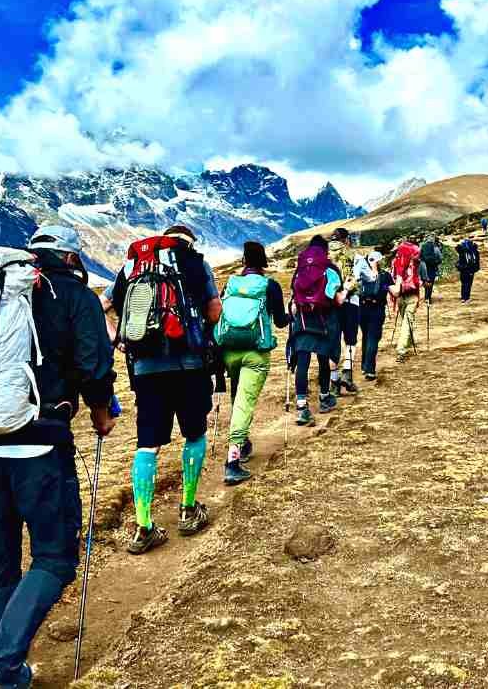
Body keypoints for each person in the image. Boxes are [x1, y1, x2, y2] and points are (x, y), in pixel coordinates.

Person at [0, 225, 116, 689]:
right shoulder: (73, 294)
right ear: (71, 256)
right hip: (39, 442)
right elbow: (94, 364)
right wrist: (101, 410)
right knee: (54, 557)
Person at [102, 225, 222, 555]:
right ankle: (187, 508)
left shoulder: (132, 267)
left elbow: (102, 307)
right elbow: (214, 310)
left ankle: (144, 526)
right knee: (195, 434)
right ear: (188, 243)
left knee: (147, 444)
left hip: (145, 369)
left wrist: (119, 339)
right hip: (189, 366)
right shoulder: (195, 263)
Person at [214, 241, 291, 485]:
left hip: (228, 351)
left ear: (244, 260)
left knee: (238, 397)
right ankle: (233, 461)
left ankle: (244, 442)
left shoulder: (231, 284)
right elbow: (280, 322)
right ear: (264, 262)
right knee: (244, 403)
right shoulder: (270, 286)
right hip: (256, 353)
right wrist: (292, 313)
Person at [290, 235, 346, 426]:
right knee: (323, 359)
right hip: (324, 321)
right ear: (326, 250)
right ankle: (324, 398)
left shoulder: (300, 269)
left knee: (303, 362)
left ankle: (301, 407)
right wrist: (346, 292)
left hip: (304, 321)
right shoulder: (330, 269)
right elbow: (337, 299)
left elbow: (294, 299)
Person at [330, 227, 362, 394]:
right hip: (350, 301)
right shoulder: (352, 255)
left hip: (330, 304)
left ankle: (333, 383)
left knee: (333, 342)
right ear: (346, 239)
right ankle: (347, 374)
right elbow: (357, 278)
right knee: (350, 340)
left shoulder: (324, 256)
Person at [356, 250, 392, 381]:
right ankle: (370, 370)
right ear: (379, 261)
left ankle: (364, 366)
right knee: (373, 337)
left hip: (362, 309)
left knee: (366, 336)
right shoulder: (385, 275)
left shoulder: (360, 274)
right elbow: (394, 291)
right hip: (377, 309)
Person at [390, 237, 424, 363]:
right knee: (407, 322)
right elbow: (423, 278)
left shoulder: (395, 261)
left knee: (406, 321)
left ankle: (405, 344)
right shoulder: (417, 262)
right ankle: (401, 349)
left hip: (399, 296)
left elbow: (391, 278)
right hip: (412, 295)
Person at [455, 235, 481, 303]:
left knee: (463, 283)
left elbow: (457, 248)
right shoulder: (474, 251)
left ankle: (463, 297)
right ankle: (467, 297)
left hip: (463, 269)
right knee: (469, 284)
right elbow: (477, 261)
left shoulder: (462, 251)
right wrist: (476, 269)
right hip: (470, 270)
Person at [420, 234, 444, 304]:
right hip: (432, 267)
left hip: (423, 267)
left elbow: (419, 257)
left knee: (425, 281)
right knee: (431, 282)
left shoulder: (422, 247)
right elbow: (440, 258)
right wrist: (436, 263)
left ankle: (426, 296)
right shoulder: (435, 248)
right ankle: (428, 298)